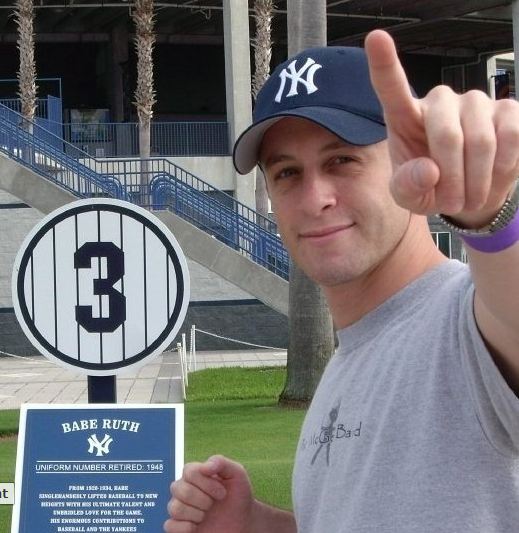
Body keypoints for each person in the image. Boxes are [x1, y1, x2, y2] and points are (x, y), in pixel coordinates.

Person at [164, 29, 519, 533]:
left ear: (408, 161)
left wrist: (491, 215)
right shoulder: (352, 356)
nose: (315, 198)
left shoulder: (468, 322)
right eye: (287, 173)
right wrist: (255, 525)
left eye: (342, 160)